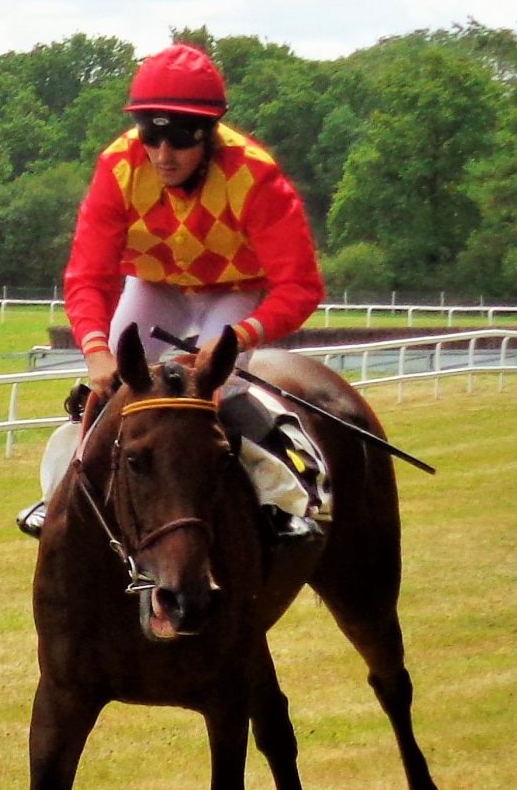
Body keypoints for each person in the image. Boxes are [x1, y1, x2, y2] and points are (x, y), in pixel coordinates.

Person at [18, 43, 326, 541]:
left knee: (219, 388)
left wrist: (242, 334)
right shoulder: (118, 167)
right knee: (108, 387)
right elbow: (88, 277)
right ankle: (59, 496)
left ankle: (285, 494)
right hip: (155, 285)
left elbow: (301, 287)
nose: (163, 155)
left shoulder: (255, 175)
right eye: (151, 138)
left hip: (233, 290)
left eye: (181, 140)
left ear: (208, 136)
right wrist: (96, 354)